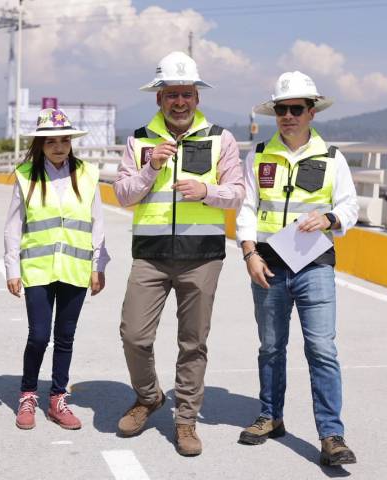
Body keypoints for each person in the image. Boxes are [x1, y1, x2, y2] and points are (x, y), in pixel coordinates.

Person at [113, 51, 245, 456]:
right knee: (134, 335)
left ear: (197, 97)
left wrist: (208, 191)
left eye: (187, 94)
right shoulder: (139, 139)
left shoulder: (221, 139)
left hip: (202, 257)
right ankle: (149, 397)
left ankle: (186, 419)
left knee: (193, 342)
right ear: (159, 98)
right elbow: (123, 195)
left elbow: (238, 194)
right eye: (172, 94)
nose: (180, 102)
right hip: (150, 256)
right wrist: (150, 168)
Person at [235, 71, 358, 466]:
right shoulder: (258, 155)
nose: (287, 116)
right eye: (281, 109)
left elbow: (350, 206)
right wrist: (249, 254)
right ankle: (270, 416)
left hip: (314, 265)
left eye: (296, 109)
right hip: (268, 264)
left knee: (321, 348)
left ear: (311, 113)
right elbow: (247, 209)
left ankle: (331, 435)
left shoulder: (332, 158)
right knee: (271, 347)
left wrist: (330, 218)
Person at [4, 108, 109, 431]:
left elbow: (97, 222)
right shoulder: (26, 175)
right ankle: (28, 395)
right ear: (40, 144)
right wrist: (11, 267)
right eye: (51, 142)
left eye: (64, 140)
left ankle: (58, 398)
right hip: (38, 268)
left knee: (65, 336)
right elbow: (13, 225)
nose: (59, 147)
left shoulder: (87, 174)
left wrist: (98, 265)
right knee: (39, 335)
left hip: (75, 268)